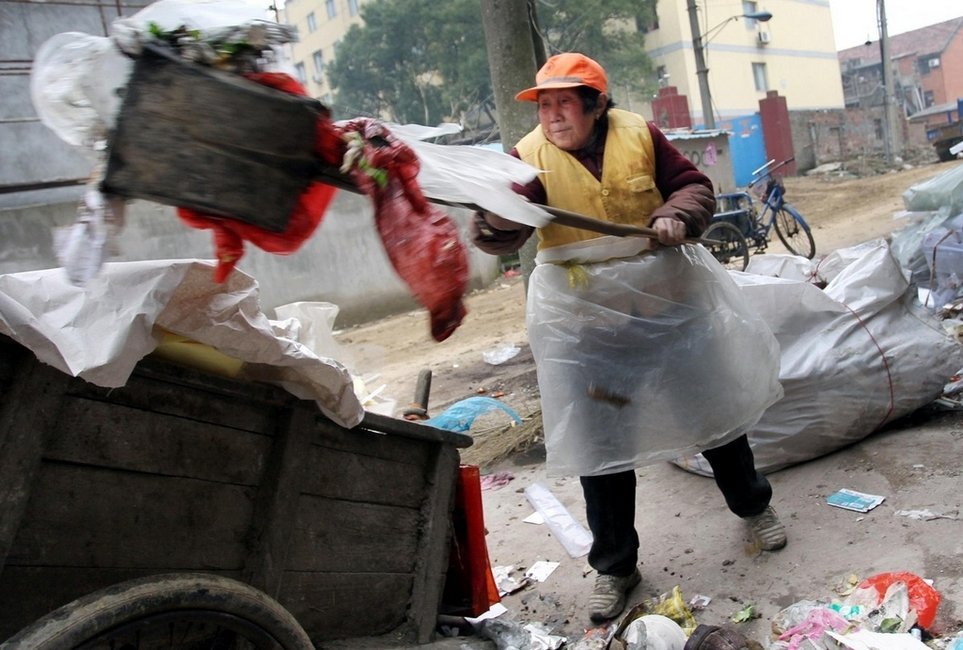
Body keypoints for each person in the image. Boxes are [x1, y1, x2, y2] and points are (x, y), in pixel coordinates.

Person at [469, 53, 787, 624]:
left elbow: (692, 185)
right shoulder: (524, 157)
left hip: (669, 314)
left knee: (713, 417)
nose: (553, 114)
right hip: (591, 332)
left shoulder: (641, 133)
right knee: (601, 446)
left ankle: (753, 507)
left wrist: (676, 215)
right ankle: (616, 567)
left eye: (565, 101)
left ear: (596, 105)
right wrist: (494, 219)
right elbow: (501, 233)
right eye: (544, 103)